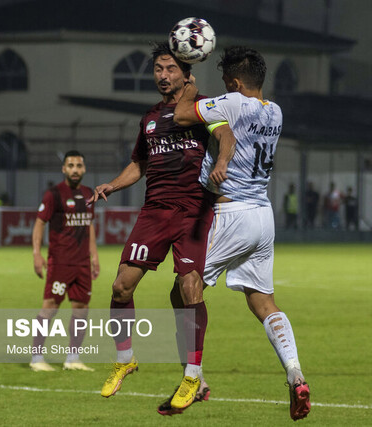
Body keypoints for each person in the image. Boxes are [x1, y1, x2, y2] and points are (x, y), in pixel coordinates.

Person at [88, 42, 234, 410]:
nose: (163, 76)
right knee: (121, 286)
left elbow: (224, 135)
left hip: (193, 210)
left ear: (187, 74)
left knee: (189, 289)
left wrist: (224, 162)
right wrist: (112, 184)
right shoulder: (149, 118)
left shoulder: (203, 108)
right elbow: (139, 164)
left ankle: (193, 374)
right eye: (158, 69)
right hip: (155, 211)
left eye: (170, 69)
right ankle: (125, 360)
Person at [168, 45, 311, 421]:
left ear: (233, 83)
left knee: (183, 288)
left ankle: (193, 378)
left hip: (231, 212)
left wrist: (189, 84)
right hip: (263, 215)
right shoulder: (275, 111)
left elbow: (182, 114)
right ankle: (295, 372)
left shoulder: (231, 103)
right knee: (263, 302)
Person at [30, 150, 99, 372]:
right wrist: (37, 254)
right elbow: (40, 223)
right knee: (50, 307)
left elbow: (88, 225)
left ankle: (73, 358)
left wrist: (94, 256)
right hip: (60, 262)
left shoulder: (89, 194)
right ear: (64, 169)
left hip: (82, 264)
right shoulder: (54, 194)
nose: (75, 170)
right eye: (71, 166)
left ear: (84, 169)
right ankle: (36, 357)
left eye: (79, 166)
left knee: (81, 310)